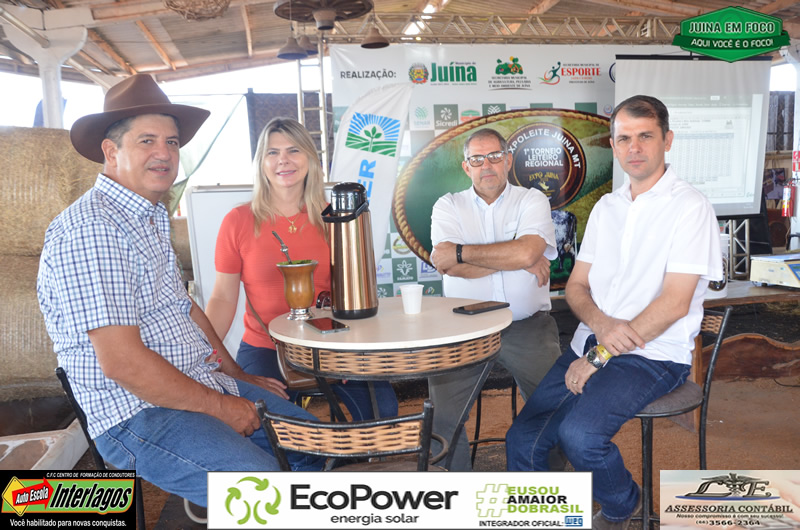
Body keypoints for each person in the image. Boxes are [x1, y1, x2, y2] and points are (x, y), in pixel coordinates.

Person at [36, 75, 324, 508]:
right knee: (265, 493)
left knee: (315, 442)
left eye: (171, 142)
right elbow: (123, 364)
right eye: (147, 141)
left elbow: (183, 307)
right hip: (137, 412)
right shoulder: (93, 229)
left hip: (196, 381)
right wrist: (221, 407)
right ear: (111, 152)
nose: (164, 153)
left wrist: (235, 375)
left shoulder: (148, 217)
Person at [505, 95, 723, 530]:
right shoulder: (607, 208)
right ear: (613, 145)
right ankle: (543, 520)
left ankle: (623, 506)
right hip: (592, 342)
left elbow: (674, 303)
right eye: (624, 139)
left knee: (581, 436)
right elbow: (577, 287)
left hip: (653, 355)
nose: (634, 148)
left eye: (646, 136)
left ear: (668, 140)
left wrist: (599, 354)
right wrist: (601, 328)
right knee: (523, 439)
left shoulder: (690, 207)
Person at [205, 117, 398, 421]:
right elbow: (223, 298)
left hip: (332, 343)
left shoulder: (335, 219)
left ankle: (356, 453)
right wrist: (204, 355)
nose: (283, 160)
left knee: (382, 409)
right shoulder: (238, 220)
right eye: (272, 152)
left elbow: (354, 291)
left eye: (293, 150)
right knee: (269, 419)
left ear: (310, 159)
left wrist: (350, 349)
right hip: (266, 347)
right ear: (261, 163)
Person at [429, 127, 561, 471]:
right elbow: (446, 263)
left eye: (494, 156)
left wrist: (464, 253)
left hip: (528, 327)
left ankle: (550, 487)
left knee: (556, 407)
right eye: (477, 159)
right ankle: (457, 494)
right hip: (464, 327)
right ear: (466, 167)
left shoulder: (532, 199)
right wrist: (517, 258)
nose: (486, 165)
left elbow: (527, 252)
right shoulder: (448, 205)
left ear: (508, 161)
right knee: (441, 421)